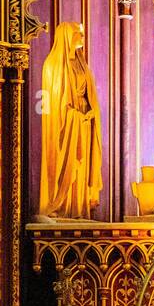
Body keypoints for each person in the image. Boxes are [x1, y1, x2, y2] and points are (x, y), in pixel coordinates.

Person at [39, 22, 104, 219]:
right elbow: (55, 103)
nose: (82, 38)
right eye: (78, 34)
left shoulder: (82, 63)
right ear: (67, 36)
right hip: (67, 126)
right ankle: (61, 207)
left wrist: (91, 113)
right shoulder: (53, 65)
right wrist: (74, 115)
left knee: (83, 164)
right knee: (66, 164)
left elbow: (89, 95)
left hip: (84, 124)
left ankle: (79, 210)